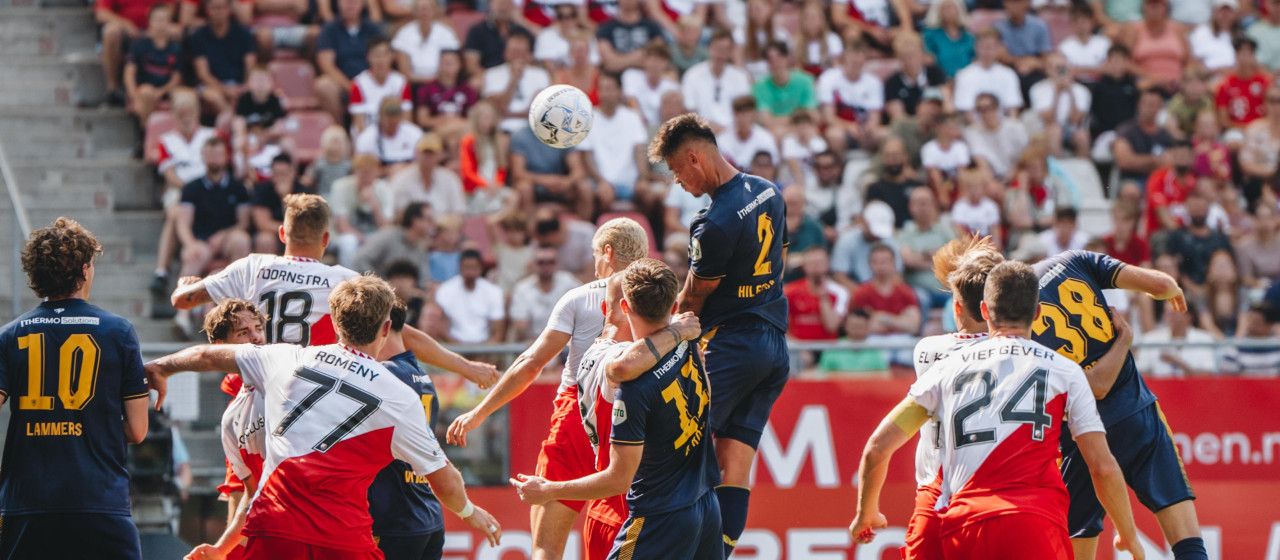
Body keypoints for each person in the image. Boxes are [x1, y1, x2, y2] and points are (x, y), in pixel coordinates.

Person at [144, 276, 502, 559]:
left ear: (333, 322)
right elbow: (446, 483)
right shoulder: (398, 396)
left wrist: (162, 366)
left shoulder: (285, 357)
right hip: (342, 537)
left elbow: (208, 356)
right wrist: (471, 513)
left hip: (274, 526)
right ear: (384, 329)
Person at [848, 260, 1145, 560]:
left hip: (965, 524)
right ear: (1038, 313)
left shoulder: (945, 368)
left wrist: (866, 512)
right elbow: (1102, 467)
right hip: (1035, 522)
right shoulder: (1064, 371)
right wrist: (1128, 534)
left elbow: (877, 448)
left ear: (986, 311)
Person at [445, 218, 661, 560]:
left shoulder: (579, 298)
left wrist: (479, 412)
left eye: (594, 255)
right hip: (638, 416)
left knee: (547, 547)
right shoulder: (662, 300)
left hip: (578, 413)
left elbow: (531, 363)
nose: (593, 264)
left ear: (607, 252)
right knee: (622, 536)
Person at [638, 113, 790, 557]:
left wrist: (664, 332)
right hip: (774, 345)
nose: (677, 182)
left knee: (683, 451)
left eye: (675, 171)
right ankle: (719, 553)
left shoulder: (715, 222)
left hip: (730, 346)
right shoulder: (769, 190)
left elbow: (694, 299)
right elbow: (779, 257)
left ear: (693, 158)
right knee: (735, 461)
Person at [512, 259, 724, 560]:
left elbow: (621, 367)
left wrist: (549, 490)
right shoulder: (688, 342)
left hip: (642, 512)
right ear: (673, 307)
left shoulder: (618, 368)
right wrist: (677, 332)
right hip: (704, 505)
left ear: (622, 307)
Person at [169, 193, 499, 383]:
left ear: (283, 235)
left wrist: (187, 285)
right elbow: (401, 333)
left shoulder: (253, 266)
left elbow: (183, 301)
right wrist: (466, 367)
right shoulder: (343, 280)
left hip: (256, 389)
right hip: (314, 394)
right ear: (326, 240)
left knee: (247, 494)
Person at [1028, 250, 1206, 560]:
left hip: (1081, 439)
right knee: (1189, 546)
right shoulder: (1073, 259)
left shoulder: (1015, 309)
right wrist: (1169, 292)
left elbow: (1093, 387)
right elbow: (1158, 284)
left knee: (1077, 547)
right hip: (1137, 414)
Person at [0, 218, 149, 560]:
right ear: (84, 270)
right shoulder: (119, 331)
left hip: (27, 502)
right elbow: (138, 430)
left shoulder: (10, 335)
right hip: (99, 501)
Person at [182, 298, 268, 560]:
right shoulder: (233, 414)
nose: (256, 338)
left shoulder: (292, 378)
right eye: (244, 333)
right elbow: (246, 492)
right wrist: (225, 550)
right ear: (220, 347)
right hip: (275, 529)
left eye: (258, 329)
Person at [367, 302, 448, 560]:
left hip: (395, 518)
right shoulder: (421, 375)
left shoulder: (384, 375)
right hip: (427, 514)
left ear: (383, 328)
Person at [578, 72, 654, 212]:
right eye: (603, 89)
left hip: (630, 182)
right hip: (600, 182)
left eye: (610, 89)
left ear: (619, 91)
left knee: (647, 194)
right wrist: (601, 182)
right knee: (603, 195)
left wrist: (642, 178)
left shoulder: (632, 117)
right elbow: (587, 158)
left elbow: (639, 150)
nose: (606, 93)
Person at [313, 0, 385, 123]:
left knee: (395, 81)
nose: (350, 4)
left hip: (371, 79)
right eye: (346, 1)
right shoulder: (330, 30)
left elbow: (383, 57)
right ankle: (339, 129)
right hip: (342, 83)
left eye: (354, 1)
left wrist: (368, 83)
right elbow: (326, 64)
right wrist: (351, 87)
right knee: (323, 85)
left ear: (363, 4)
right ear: (338, 3)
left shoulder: (373, 29)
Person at [189, 0, 257, 121]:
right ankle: (236, 124)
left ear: (229, 10)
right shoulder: (198, 36)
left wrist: (245, 87)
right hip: (212, 86)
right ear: (207, 10)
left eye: (221, 8)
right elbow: (203, 74)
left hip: (239, 85)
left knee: (259, 88)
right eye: (214, 8)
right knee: (214, 97)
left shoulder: (244, 34)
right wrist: (225, 89)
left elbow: (251, 67)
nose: (218, 12)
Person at [816, 38, 885, 154]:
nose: (856, 59)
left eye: (859, 56)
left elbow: (875, 118)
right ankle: (837, 168)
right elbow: (828, 117)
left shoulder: (874, 82)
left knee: (885, 134)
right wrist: (850, 127)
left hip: (864, 130)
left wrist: (865, 129)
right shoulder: (829, 78)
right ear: (844, 57)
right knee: (834, 135)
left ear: (865, 58)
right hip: (841, 128)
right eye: (852, 55)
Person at [681, 29, 753, 133]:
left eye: (726, 49)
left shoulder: (740, 77)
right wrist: (707, 127)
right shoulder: (693, 75)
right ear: (710, 48)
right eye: (718, 48)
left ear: (731, 52)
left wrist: (728, 131)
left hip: (733, 132)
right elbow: (689, 110)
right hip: (701, 132)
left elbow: (745, 111)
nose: (721, 54)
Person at [483, 30, 552, 134]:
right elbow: (499, 108)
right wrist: (513, 80)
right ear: (505, 53)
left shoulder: (541, 74)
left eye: (521, 53)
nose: (517, 58)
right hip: (501, 127)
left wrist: (508, 114)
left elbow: (539, 110)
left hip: (533, 127)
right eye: (513, 52)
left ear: (529, 55)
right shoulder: (491, 74)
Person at [124, 3, 181, 127]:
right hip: (145, 90)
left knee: (183, 97)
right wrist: (133, 95)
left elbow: (176, 77)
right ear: (150, 22)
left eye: (164, 20)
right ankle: (145, 134)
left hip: (165, 90)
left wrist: (161, 92)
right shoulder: (139, 45)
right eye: (157, 20)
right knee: (146, 93)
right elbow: (129, 73)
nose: (160, 24)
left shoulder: (175, 48)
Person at [508, 247, 580, 343]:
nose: (546, 266)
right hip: (533, 342)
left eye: (551, 262)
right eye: (541, 262)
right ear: (533, 264)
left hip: (566, 341)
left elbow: (583, 312)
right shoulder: (522, 288)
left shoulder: (569, 282)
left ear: (557, 264)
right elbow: (520, 326)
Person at [390, 133, 466, 219]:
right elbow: (399, 214)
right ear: (416, 154)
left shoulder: (450, 179)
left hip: (443, 228)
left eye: (432, 153)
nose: (428, 157)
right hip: (413, 228)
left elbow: (458, 212)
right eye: (425, 153)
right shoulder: (402, 179)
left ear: (440, 156)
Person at [354, 201, 434, 280]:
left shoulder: (420, 247)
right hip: (376, 289)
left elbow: (424, 279)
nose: (433, 223)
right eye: (429, 219)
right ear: (415, 220)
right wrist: (380, 284)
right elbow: (360, 260)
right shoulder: (388, 236)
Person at [251, 154, 314, 254]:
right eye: (277, 174)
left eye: (284, 174)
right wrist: (288, 230)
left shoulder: (305, 193)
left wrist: (286, 198)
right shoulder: (262, 190)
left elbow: (306, 223)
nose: (281, 178)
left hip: (298, 235)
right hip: (275, 234)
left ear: (293, 173)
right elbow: (263, 223)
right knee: (265, 239)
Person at [349, 37, 413, 135]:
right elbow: (359, 122)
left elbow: (406, 119)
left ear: (392, 56)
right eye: (376, 55)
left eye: (384, 55)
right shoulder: (358, 83)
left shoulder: (401, 82)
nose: (380, 60)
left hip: (394, 135)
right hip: (367, 137)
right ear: (368, 57)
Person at [1113, 87, 1176, 184]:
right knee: (1130, 190)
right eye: (1148, 104)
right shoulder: (1126, 130)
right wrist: (1154, 161)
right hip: (1133, 180)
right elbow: (1124, 161)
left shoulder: (1166, 135)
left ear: (1160, 108)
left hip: (1159, 181)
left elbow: (1171, 162)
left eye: (1155, 105)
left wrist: (1138, 161)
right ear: (1139, 105)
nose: (1151, 109)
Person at [784, 247, 849, 341]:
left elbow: (832, 326)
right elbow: (783, 327)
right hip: (798, 348)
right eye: (812, 263)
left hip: (828, 349)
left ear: (828, 264)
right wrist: (798, 347)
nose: (816, 266)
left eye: (820, 262)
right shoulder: (790, 291)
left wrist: (824, 297)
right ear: (804, 266)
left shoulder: (840, 292)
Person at [832, 200, 902, 288]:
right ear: (863, 221)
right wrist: (865, 295)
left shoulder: (890, 241)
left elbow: (897, 277)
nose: (877, 236)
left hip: (884, 291)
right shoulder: (846, 241)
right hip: (856, 292)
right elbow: (840, 277)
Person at [753, 42, 818, 134]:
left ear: (787, 58)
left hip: (803, 130)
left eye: (779, 58)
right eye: (771, 60)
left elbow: (812, 115)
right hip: (777, 132)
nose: (776, 63)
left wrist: (781, 121)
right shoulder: (759, 87)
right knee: (777, 133)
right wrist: (797, 118)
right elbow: (766, 121)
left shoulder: (805, 80)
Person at [952, 30, 1024, 114]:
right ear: (976, 47)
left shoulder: (1009, 74)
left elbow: (1013, 108)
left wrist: (1011, 126)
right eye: (983, 47)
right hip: (975, 125)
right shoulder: (964, 75)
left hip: (1003, 124)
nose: (987, 51)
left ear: (998, 48)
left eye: (990, 47)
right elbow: (966, 110)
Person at [1136, 304, 1217, 377]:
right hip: (1158, 390)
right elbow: (1141, 373)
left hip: (1194, 390)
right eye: (1167, 313)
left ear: (1188, 316)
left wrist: (1179, 363)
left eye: (1174, 314)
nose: (1169, 317)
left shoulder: (1204, 340)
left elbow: (1207, 375)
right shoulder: (1150, 340)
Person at [392, 0, 461, 85]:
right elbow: (404, 70)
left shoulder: (446, 33)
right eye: (421, 9)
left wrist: (438, 79)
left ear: (435, 11)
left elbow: (452, 62)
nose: (424, 12)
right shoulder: (404, 33)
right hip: (413, 83)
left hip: (441, 83)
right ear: (414, 12)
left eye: (428, 9)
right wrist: (425, 81)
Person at [964, 93, 1030, 181]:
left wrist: (1011, 177)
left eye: (988, 108)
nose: (985, 113)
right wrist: (992, 183)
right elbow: (981, 162)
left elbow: (1025, 156)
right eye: (980, 109)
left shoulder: (1016, 127)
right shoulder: (972, 132)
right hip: (992, 178)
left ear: (997, 108)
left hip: (1018, 173)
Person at [355, 97, 426, 171]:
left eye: (395, 124)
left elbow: (424, 162)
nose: (392, 127)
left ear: (400, 117)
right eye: (389, 124)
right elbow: (361, 168)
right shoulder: (367, 137)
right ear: (380, 117)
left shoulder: (415, 134)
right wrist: (388, 170)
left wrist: (402, 169)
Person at [1215, 37, 1270, 131]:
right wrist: (1245, 129)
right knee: (1234, 141)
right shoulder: (1225, 84)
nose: (1245, 57)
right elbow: (1223, 120)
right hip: (1236, 130)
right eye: (1242, 52)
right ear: (1235, 55)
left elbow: (1272, 113)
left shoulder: (1265, 83)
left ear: (1254, 56)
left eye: (1249, 53)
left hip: (1262, 129)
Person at [715, 95, 779, 172]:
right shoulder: (722, 140)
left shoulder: (766, 138)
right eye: (741, 112)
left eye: (748, 112)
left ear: (754, 114)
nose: (744, 117)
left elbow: (773, 167)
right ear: (734, 114)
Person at [595, 0, 663, 72]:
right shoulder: (606, 28)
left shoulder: (652, 26)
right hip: (617, 78)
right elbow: (609, 63)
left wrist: (620, 60)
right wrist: (639, 55)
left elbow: (660, 56)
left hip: (646, 75)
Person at [921, 0, 974, 79]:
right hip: (940, 81)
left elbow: (974, 59)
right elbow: (927, 58)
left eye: (951, 7)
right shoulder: (930, 35)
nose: (948, 11)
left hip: (966, 80)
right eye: (945, 8)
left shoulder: (969, 37)